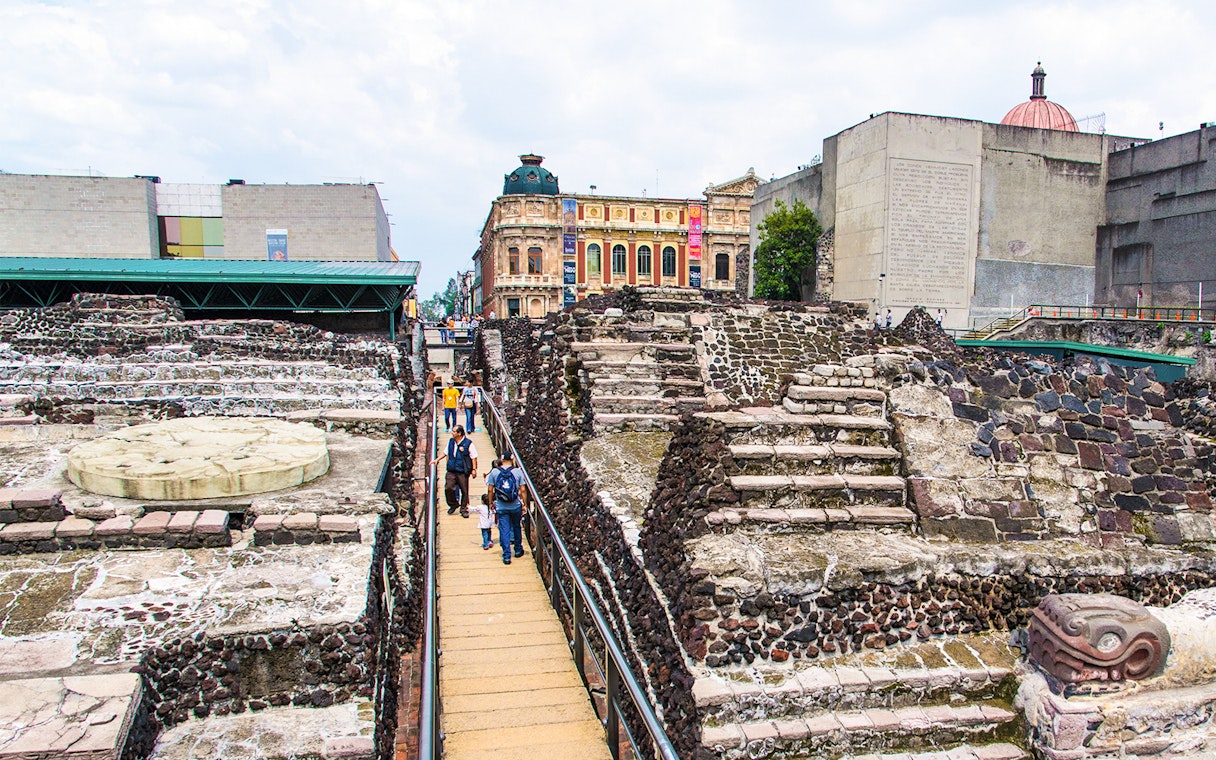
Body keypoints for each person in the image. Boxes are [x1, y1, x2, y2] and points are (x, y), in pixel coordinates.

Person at [486, 451, 526, 564]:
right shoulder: (518, 472)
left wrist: (490, 503)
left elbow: (490, 489)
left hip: (501, 506)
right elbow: (522, 490)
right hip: (515, 506)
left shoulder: (494, 472)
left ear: (501, 460)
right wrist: (524, 504)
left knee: (504, 530)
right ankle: (518, 550)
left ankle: (507, 556)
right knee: (516, 527)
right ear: (512, 459)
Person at [431, 426, 478, 517]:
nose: (452, 433)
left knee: (464, 490)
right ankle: (453, 504)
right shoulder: (451, 442)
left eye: (454, 431)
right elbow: (446, 452)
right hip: (451, 469)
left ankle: (464, 508)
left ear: (459, 433)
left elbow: (473, 457)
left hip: (462, 470)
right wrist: (437, 460)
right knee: (448, 487)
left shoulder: (468, 443)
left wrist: (474, 469)